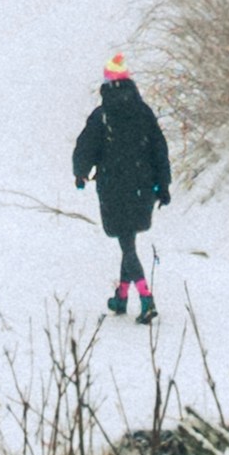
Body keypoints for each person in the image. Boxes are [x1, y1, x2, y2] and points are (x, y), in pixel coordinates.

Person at [72, 51, 173, 316]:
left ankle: (145, 296)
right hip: (143, 186)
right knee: (128, 238)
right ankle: (121, 296)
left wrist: (81, 174)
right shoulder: (143, 113)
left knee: (126, 241)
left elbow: (85, 147)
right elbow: (159, 149)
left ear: (106, 85)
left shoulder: (102, 116)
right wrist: (163, 185)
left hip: (113, 187)